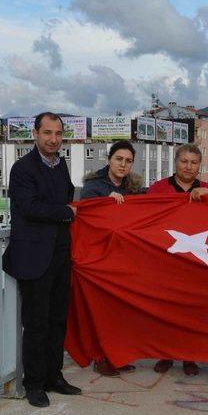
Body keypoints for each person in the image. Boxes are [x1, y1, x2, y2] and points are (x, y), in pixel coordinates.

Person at [2, 112, 81, 408]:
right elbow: (29, 207)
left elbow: (67, 196)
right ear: (34, 134)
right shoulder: (23, 168)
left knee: (58, 320)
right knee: (35, 324)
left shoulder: (61, 166)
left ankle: (53, 376)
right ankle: (33, 384)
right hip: (34, 257)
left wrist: (65, 209)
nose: (53, 139)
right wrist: (65, 212)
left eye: (58, 133)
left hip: (60, 254)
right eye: (47, 133)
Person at [147, 143, 208, 376]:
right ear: (176, 162)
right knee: (165, 310)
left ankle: (189, 356)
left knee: (191, 311)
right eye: (184, 161)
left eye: (194, 162)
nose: (188, 166)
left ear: (200, 166)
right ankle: (166, 354)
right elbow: (145, 218)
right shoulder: (158, 189)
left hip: (196, 261)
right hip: (166, 259)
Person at [79, 140, 143, 377]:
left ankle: (117, 354)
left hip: (122, 258)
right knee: (101, 310)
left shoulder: (133, 187)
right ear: (109, 159)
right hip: (98, 259)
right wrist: (105, 201)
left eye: (128, 161)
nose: (123, 165)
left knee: (120, 311)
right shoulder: (93, 186)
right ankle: (100, 357)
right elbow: (86, 217)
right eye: (119, 159)